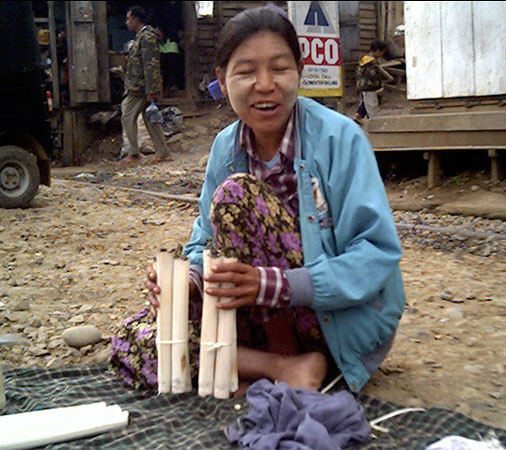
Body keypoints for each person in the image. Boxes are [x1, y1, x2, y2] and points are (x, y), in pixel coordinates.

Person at [110, 7, 406, 394]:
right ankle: (280, 369)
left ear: (300, 71)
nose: (265, 85)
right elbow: (204, 241)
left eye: (279, 69)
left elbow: (376, 253)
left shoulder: (340, 138)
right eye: (246, 72)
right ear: (222, 80)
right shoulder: (225, 147)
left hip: (332, 322)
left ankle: (254, 370)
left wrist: (272, 284)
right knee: (132, 338)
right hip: (255, 321)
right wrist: (186, 282)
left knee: (236, 195)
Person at [119, 6, 171, 166]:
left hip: (140, 88)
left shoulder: (147, 37)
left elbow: (151, 65)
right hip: (140, 86)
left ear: (136, 19)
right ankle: (163, 153)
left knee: (127, 117)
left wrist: (151, 89)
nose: (127, 22)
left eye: (129, 19)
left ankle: (134, 154)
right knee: (150, 120)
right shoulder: (141, 37)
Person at [353, 40, 388, 125]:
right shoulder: (372, 63)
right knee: (372, 107)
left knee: (365, 103)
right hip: (370, 87)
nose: (382, 55)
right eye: (382, 52)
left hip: (361, 86)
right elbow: (374, 75)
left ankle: (358, 117)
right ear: (378, 51)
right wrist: (379, 84)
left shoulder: (364, 59)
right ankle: (373, 125)